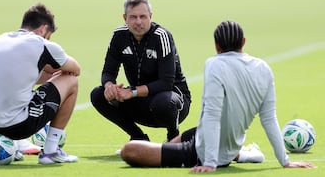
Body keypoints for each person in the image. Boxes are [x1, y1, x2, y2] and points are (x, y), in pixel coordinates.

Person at [120, 20, 316, 172]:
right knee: (175, 141)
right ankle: (241, 153)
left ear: (216, 45)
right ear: (244, 42)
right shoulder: (263, 67)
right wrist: (286, 161)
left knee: (129, 151)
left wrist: (210, 162)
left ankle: (241, 154)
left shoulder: (214, 64)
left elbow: (212, 115)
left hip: (203, 152)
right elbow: (269, 118)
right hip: (214, 139)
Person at [0, 3, 81, 164]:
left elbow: (19, 77)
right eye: (49, 35)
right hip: (17, 127)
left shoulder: (0, 39)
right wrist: (55, 71)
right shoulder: (41, 43)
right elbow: (75, 69)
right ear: (44, 29)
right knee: (71, 81)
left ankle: (12, 147)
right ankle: (51, 151)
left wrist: (48, 73)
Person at [90, 0, 191, 142]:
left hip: (172, 103)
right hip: (139, 101)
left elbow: (166, 83)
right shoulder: (119, 36)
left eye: (143, 16)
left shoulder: (161, 36)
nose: (138, 22)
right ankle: (138, 138)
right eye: (133, 17)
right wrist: (110, 86)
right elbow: (108, 72)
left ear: (150, 16)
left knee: (164, 102)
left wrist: (132, 92)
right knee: (98, 94)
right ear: (125, 18)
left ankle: (173, 137)